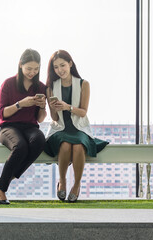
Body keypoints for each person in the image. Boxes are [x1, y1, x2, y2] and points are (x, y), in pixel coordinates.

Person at [44, 50, 108, 202]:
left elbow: (83, 112)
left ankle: (77, 185)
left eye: (63, 65)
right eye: (56, 67)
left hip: (79, 127)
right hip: (60, 127)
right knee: (65, 145)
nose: (60, 70)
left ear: (70, 64)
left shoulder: (83, 84)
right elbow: (53, 118)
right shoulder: (51, 87)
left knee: (78, 145)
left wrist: (67, 107)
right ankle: (63, 181)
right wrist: (53, 108)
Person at [0, 49, 47, 204]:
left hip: (30, 127)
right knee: (21, 147)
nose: (32, 72)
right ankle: (1, 190)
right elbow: (2, 113)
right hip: (8, 127)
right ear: (20, 65)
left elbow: (40, 119)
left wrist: (42, 107)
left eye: (36, 69)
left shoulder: (41, 87)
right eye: (29, 68)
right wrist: (20, 104)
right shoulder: (8, 84)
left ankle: (4, 179)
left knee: (39, 141)